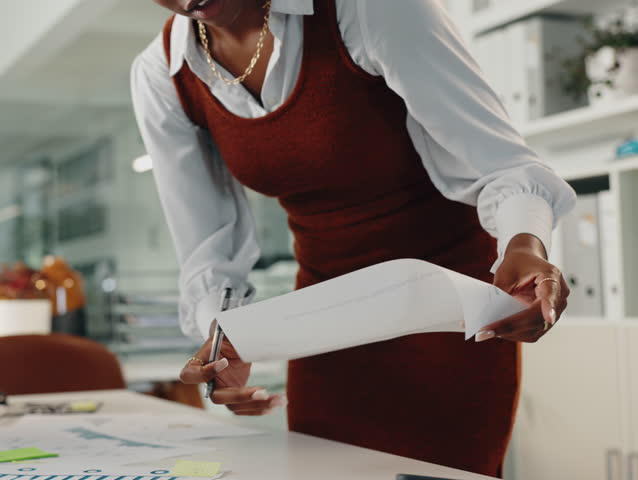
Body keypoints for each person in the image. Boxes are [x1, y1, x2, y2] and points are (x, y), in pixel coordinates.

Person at [130, 0, 575, 476]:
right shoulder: (163, 75)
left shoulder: (370, 9)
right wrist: (225, 341)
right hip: (327, 320)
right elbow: (206, 246)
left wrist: (525, 244)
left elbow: (502, 164)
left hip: (446, 312)